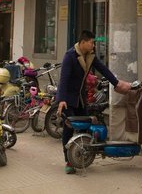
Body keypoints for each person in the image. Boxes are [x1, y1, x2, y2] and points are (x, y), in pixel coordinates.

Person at [56, 30, 130, 174]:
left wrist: (117, 83)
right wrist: (62, 100)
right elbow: (63, 79)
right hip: (68, 99)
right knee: (69, 128)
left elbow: (103, 69)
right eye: (91, 42)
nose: (93, 45)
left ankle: (81, 155)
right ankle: (68, 161)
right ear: (83, 42)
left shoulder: (90, 56)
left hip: (81, 99)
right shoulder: (70, 56)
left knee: (85, 127)